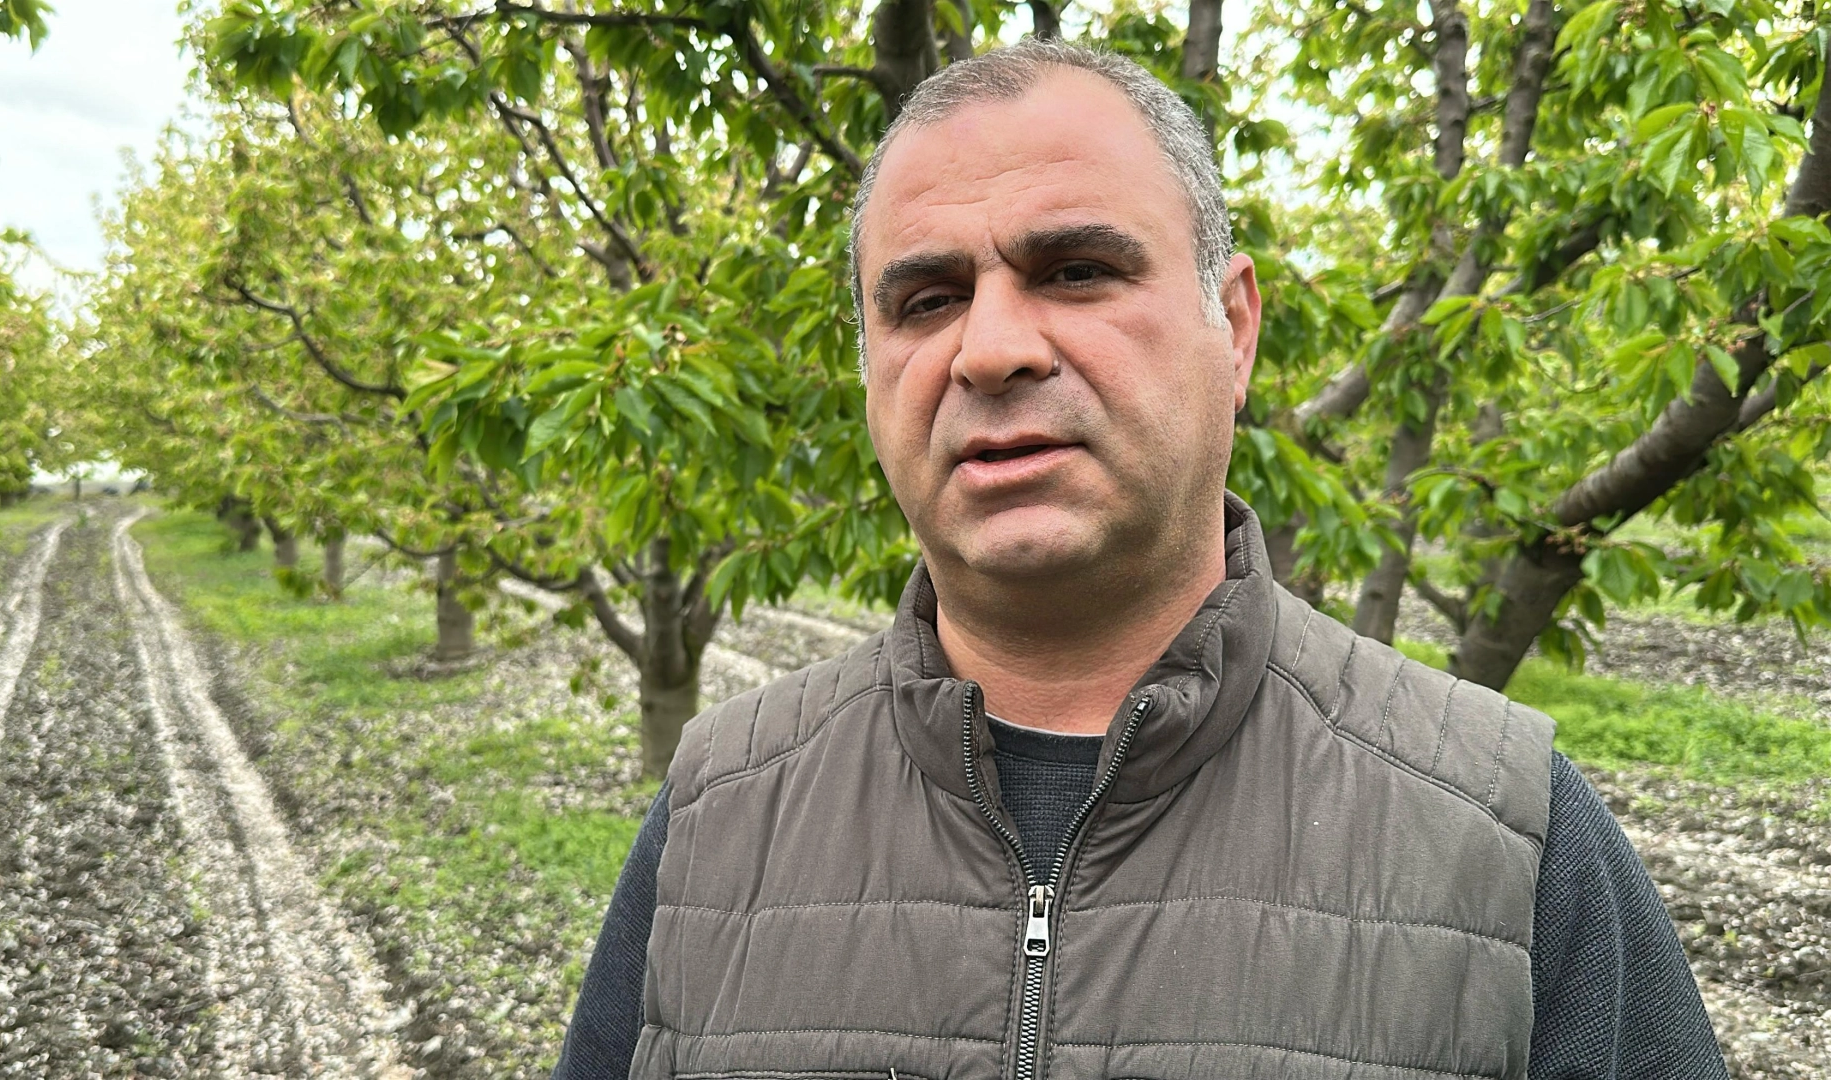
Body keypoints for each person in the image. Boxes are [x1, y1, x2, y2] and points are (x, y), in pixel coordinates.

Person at [553, 40, 1728, 1080]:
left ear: (1236, 329)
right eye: (927, 299)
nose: (991, 350)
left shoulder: (1503, 833)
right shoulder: (715, 819)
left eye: (1077, 271)